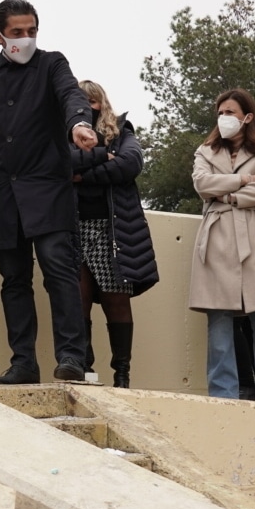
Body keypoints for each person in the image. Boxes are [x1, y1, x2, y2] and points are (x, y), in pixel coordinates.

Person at [0, 0, 97, 384]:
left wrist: (78, 125)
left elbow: (71, 95)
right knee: (14, 280)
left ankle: (71, 358)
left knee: (59, 271)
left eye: (32, 31)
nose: (26, 39)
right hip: (3, 194)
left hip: (49, 187)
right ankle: (23, 364)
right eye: (17, 32)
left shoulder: (53, 63)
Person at [189, 87, 255, 402]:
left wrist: (229, 195)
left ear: (247, 117)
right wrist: (243, 180)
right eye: (220, 112)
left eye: (230, 112)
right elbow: (202, 184)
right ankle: (223, 396)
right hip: (217, 240)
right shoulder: (205, 151)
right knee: (218, 322)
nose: (224, 118)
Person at [71, 80, 158, 388]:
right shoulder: (63, 136)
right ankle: (85, 369)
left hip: (113, 230)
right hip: (72, 227)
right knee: (76, 299)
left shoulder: (121, 132)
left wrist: (83, 175)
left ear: (101, 103)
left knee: (116, 301)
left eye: (91, 102)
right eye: (80, 102)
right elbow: (58, 167)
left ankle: (122, 374)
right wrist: (100, 160)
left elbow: (130, 163)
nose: (87, 108)